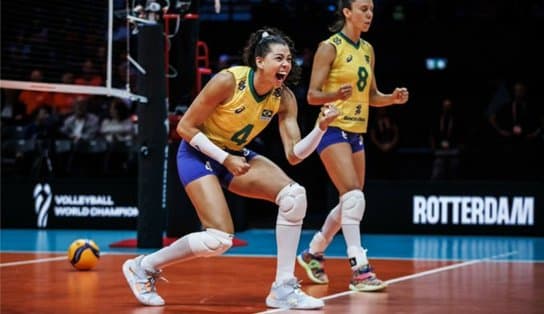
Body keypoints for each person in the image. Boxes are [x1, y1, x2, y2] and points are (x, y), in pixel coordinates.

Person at [122, 27, 339, 309]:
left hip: (234, 155)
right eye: (279, 58)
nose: (286, 64)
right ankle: (143, 266)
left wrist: (321, 128)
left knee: (294, 196)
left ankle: (283, 288)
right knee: (218, 240)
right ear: (260, 61)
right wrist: (224, 159)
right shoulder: (228, 80)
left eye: (288, 59)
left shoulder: (283, 98)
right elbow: (186, 127)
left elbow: (295, 155)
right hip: (197, 153)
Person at [296, 0, 409, 292]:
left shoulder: (368, 50)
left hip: (357, 132)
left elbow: (372, 96)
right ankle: (360, 268)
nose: (368, 14)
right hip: (332, 128)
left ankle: (313, 252)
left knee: (352, 200)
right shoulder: (330, 47)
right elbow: (311, 95)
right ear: (347, 12)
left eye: (371, 9)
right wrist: (335, 93)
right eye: (362, 8)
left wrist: (391, 98)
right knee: (353, 198)